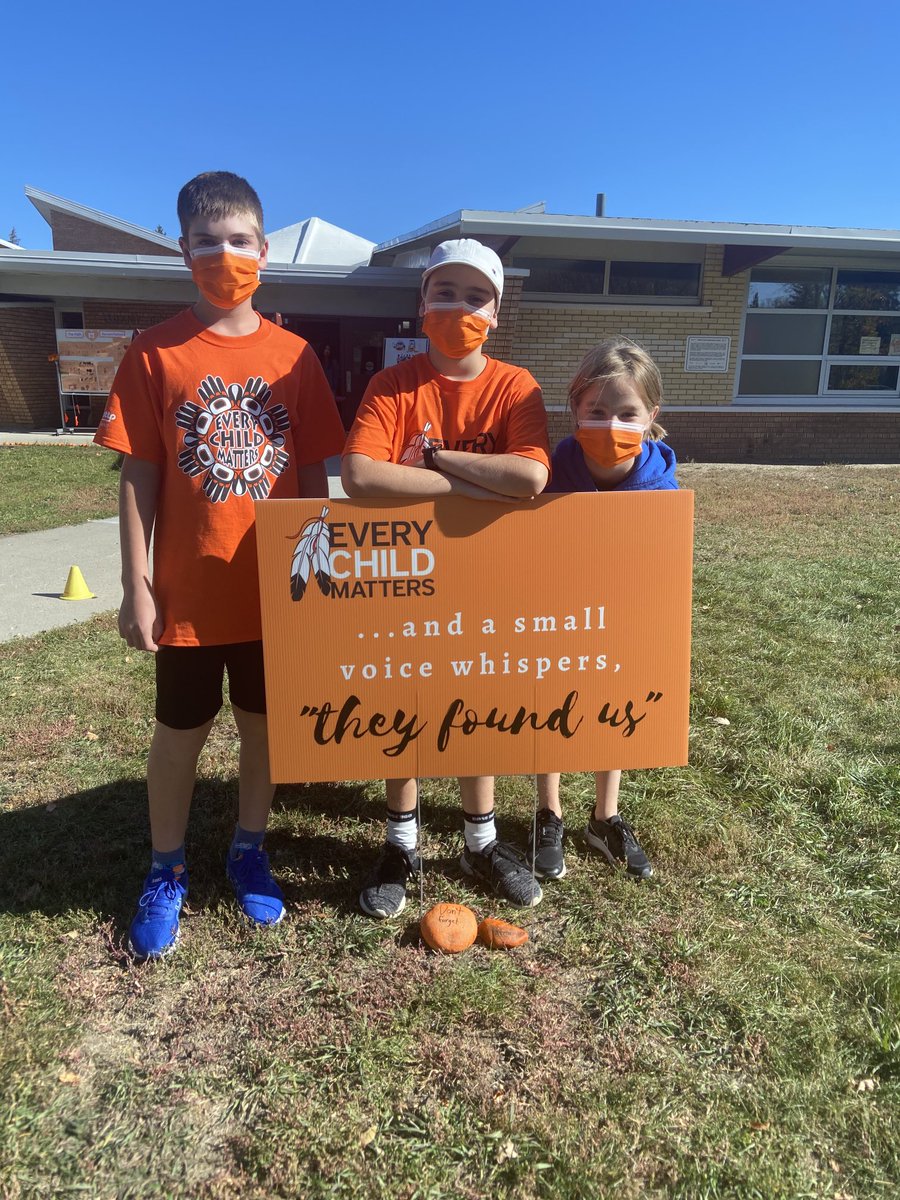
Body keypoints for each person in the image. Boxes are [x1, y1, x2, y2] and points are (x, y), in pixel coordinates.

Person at [94, 171, 345, 959]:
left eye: (240, 241)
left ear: (264, 251)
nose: (224, 255)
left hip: (273, 589)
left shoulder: (296, 356)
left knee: (264, 731)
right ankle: (166, 867)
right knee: (180, 734)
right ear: (183, 251)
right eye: (208, 242)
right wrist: (136, 584)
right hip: (189, 595)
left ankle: (248, 847)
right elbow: (137, 474)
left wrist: (316, 573)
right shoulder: (153, 351)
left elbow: (311, 475)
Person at [342, 238, 551, 917]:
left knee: (476, 700)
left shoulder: (515, 386)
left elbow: (530, 476)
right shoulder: (392, 385)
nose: (459, 307)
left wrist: (435, 462)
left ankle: (480, 839)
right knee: (402, 700)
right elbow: (363, 474)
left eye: (475, 296)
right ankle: (401, 840)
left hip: (488, 575)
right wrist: (467, 482)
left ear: (496, 313)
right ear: (420, 303)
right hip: (404, 574)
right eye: (444, 292)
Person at [530, 338, 678, 883]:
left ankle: (605, 814)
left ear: (651, 417)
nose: (611, 423)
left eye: (627, 412)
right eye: (596, 411)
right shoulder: (549, 471)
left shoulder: (662, 488)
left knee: (612, 701)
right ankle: (550, 812)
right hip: (557, 611)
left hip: (622, 615)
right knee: (553, 699)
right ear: (574, 411)